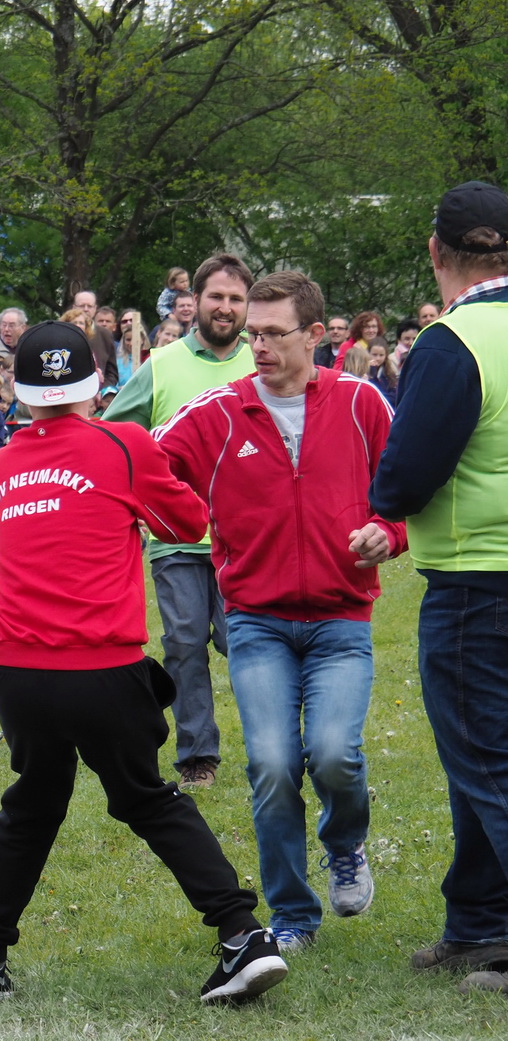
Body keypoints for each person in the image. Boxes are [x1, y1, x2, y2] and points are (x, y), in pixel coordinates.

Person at [0, 320, 285, 1007]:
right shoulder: (125, 442)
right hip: (102, 665)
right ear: (97, 384)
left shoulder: (7, 461)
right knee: (146, 797)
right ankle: (242, 934)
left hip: (16, 669)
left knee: (32, 805)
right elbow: (186, 522)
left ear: (20, 391)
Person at [155, 270, 402, 955]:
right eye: (253, 333)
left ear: (316, 335)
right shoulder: (218, 410)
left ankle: (344, 840)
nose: (256, 345)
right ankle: (293, 911)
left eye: (272, 333)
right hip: (255, 619)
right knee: (269, 761)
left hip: (340, 618)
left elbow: (403, 483)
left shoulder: (362, 403)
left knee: (333, 754)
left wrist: (390, 531)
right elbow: (147, 460)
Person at [369, 180, 508, 991]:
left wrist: (384, 496)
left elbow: (405, 477)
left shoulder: (453, 343)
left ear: (436, 253)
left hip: (477, 583)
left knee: (487, 760)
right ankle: (481, 924)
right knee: (479, 763)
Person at [105, 252, 256, 790]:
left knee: (245, 642)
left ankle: (272, 747)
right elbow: (112, 433)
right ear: (195, 302)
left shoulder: (261, 365)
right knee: (186, 642)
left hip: (250, 539)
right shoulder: (162, 365)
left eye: (236, 299)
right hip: (178, 537)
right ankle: (198, 755)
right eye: (216, 296)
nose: (225, 307)